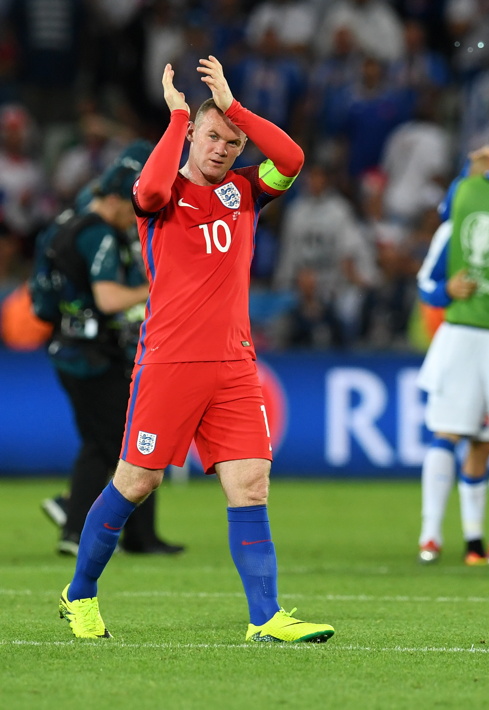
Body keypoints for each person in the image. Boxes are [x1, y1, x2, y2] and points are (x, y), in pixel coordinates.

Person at [58, 56, 334, 643]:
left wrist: (235, 109)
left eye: (232, 143)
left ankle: (266, 618)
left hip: (234, 365)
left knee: (251, 482)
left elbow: (291, 159)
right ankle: (79, 594)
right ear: (191, 136)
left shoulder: (247, 192)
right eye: (213, 137)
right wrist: (180, 113)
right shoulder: (162, 197)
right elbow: (152, 186)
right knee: (137, 481)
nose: (223, 150)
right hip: (169, 362)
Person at [44, 143, 184, 558]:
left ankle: (74, 527)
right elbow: (106, 298)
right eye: (133, 205)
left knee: (100, 444)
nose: (134, 215)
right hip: (92, 355)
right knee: (133, 442)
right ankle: (138, 537)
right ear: (119, 198)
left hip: (72, 348)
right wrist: (158, 286)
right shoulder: (99, 234)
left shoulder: (71, 225)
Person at [415, 110, 489, 566]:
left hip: (465, 334)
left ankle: (454, 540)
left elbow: (450, 215)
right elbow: (429, 282)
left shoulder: (464, 193)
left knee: (458, 437)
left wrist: (470, 169)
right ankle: (483, 541)